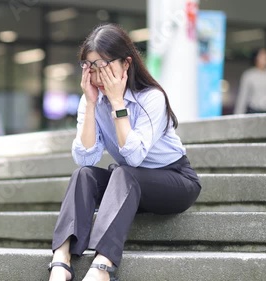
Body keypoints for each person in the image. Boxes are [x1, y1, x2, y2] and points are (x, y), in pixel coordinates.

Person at [47, 24, 202, 281]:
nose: (98, 74)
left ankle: (102, 267)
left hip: (175, 181)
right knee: (83, 175)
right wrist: (92, 104)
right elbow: (86, 157)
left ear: (126, 63)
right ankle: (61, 259)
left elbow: (133, 157)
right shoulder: (91, 100)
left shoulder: (151, 98)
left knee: (125, 173)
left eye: (104, 65)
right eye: (90, 66)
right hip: (130, 182)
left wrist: (118, 103)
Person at [234, 48, 266, 114]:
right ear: (256, 58)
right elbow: (243, 97)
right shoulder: (249, 75)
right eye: (262, 55)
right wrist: (238, 115)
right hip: (254, 112)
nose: (265, 57)